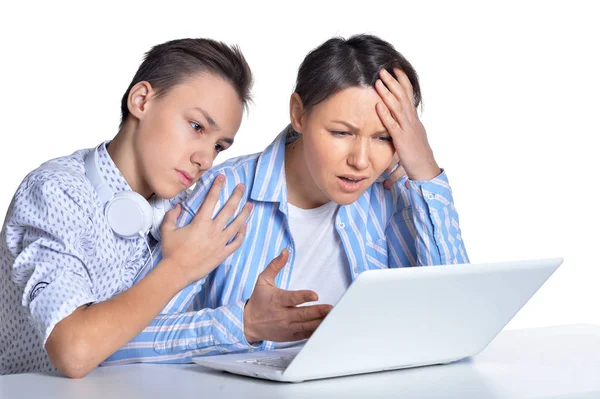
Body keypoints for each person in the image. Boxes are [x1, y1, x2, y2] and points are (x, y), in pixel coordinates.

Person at [103, 34, 469, 365]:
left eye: (384, 138)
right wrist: (244, 324)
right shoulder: (218, 195)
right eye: (341, 132)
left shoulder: (395, 194)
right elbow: (120, 343)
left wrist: (424, 168)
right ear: (298, 114)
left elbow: (459, 322)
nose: (361, 161)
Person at [0, 38, 254, 376]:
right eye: (196, 127)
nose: (205, 159)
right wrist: (178, 268)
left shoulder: (181, 214)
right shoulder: (55, 191)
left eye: (219, 146)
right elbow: (73, 351)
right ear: (141, 100)